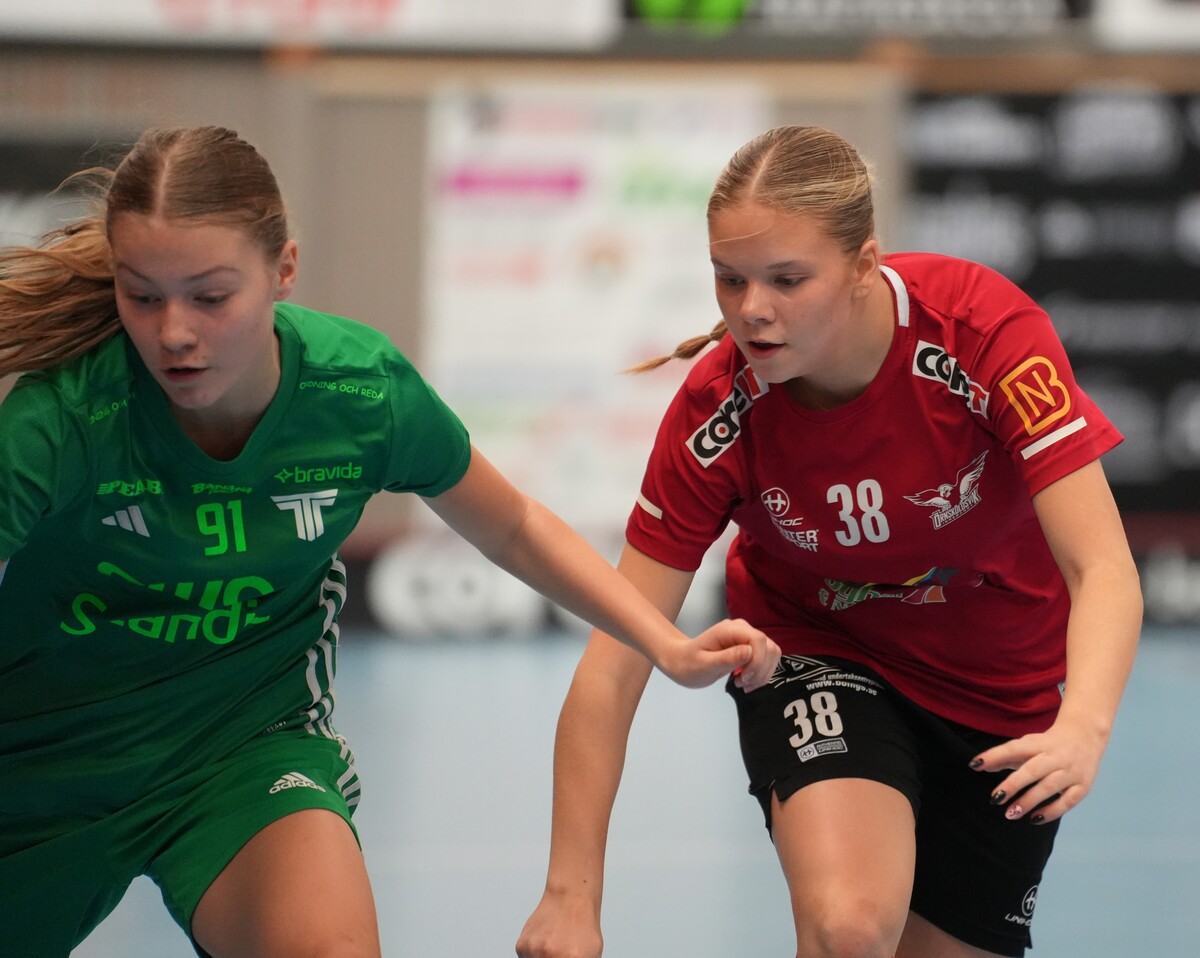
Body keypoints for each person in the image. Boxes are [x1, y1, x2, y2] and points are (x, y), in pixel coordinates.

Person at [0, 125, 780, 958]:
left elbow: (514, 526)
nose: (173, 332)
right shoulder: (63, 418)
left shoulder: (359, 392)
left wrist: (663, 640)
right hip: (42, 761)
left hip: (240, 751)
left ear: (284, 270)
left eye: (210, 296)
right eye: (142, 296)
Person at [516, 124, 1143, 958]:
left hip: (1000, 684)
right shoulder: (716, 413)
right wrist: (568, 897)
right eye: (729, 277)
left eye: (787, 279)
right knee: (849, 927)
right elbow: (613, 662)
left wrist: (1084, 727)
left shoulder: (982, 333)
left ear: (862, 264)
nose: (751, 309)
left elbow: (1102, 568)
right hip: (816, 648)